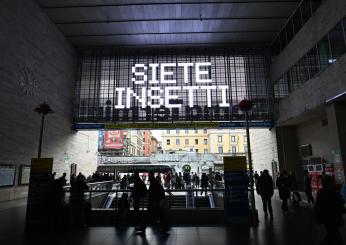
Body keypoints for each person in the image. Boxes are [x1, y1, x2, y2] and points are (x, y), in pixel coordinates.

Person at [314, 175, 345, 245]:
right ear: (330, 183)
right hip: (332, 219)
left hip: (326, 219)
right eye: (333, 181)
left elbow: (318, 208)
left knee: (332, 235)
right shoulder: (332, 194)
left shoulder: (321, 192)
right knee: (335, 236)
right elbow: (339, 208)